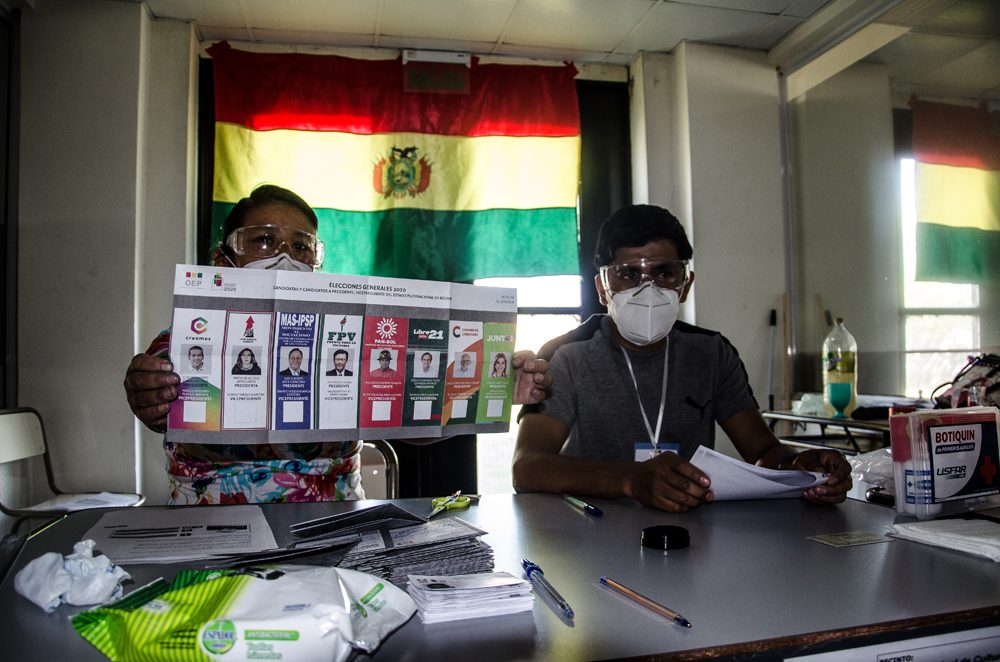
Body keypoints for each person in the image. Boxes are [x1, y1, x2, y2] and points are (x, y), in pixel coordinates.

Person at [124, 184, 552, 505]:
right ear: (224, 259)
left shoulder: (353, 339)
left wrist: (489, 390)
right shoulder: (185, 338)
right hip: (215, 533)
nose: (285, 256)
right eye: (265, 240)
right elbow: (158, 404)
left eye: (301, 246)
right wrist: (146, 394)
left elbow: (411, 422)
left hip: (334, 531)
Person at [512, 204, 851, 514]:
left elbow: (763, 451)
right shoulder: (566, 355)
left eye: (664, 274)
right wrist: (631, 480)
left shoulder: (711, 353)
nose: (648, 289)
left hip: (690, 530)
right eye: (628, 274)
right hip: (592, 532)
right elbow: (528, 466)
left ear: (685, 285)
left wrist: (801, 468)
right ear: (602, 288)